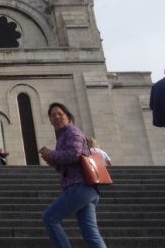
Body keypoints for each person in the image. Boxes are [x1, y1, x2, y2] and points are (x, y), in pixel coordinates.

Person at [39, 102, 107, 248]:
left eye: (60, 114)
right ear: (50, 120)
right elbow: (70, 162)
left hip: (79, 186)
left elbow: (75, 154)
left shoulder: (72, 132)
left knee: (50, 218)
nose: (56, 117)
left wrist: (52, 154)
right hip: (87, 189)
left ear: (68, 117)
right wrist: (53, 161)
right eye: (53, 115)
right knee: (91, 234)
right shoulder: (63, 136)